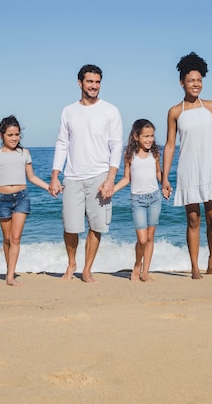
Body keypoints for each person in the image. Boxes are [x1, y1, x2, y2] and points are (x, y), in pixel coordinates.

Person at [161, 52, 212, 280]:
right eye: (191, 80)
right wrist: (165, 177)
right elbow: (169, 145)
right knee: (193, 220)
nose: (196, 84)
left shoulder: (211, 107)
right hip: (188, 171)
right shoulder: (175, 112)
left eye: (199, 80)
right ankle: (194, 267)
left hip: (210, 169)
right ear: (182, 82)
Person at [49, 64, 123, 283]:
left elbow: (116, 146)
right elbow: (62, 143)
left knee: (96, 226)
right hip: (72, 176)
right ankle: (72, 263)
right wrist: (55, 175)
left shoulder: (110, 110)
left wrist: (111, 179)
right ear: (80, 83)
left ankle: (87, 269)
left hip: (100, 176)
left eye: (97, 82)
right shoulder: (68, 111)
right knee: (70, 226)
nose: (94, 86)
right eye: (90, 82)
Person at [0, 115, 50, 286]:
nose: (14, 138)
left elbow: (31, 177)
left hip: (21, 198)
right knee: (7, 239)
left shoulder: (24, 153)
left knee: (16, 238)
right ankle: (9, 270)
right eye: (10, 135)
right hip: (2, 199)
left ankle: (10, 276)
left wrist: (49, 187)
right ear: (1, 135)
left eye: (17, 134)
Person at [113, 119, 162, 282]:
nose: (150, 140)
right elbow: (126, 179)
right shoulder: (129, 156)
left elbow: (158, 174)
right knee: (142, 239)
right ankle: (136, 265)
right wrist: (111, 189)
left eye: (152, 136)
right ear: (136, 136)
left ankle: (145, 272)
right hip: (137, 200)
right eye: (146, 136)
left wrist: (166, 185)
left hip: (155, 198)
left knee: (150, 237)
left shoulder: (155, 154)